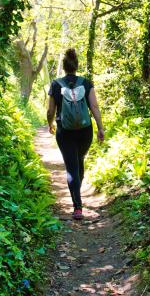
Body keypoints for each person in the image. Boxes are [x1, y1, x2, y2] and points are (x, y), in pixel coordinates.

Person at [47, 48, 105, 220]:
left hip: (65, 131)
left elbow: (51, 110)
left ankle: (77, 208)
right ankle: (78, 195)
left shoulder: (56, 84)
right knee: (78, 160)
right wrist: (101, 127)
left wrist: (50, 124)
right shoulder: (86, 83)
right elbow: (94, 106)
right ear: (76, 66)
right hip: (85, 131)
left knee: (72, 166)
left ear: (64, 67)